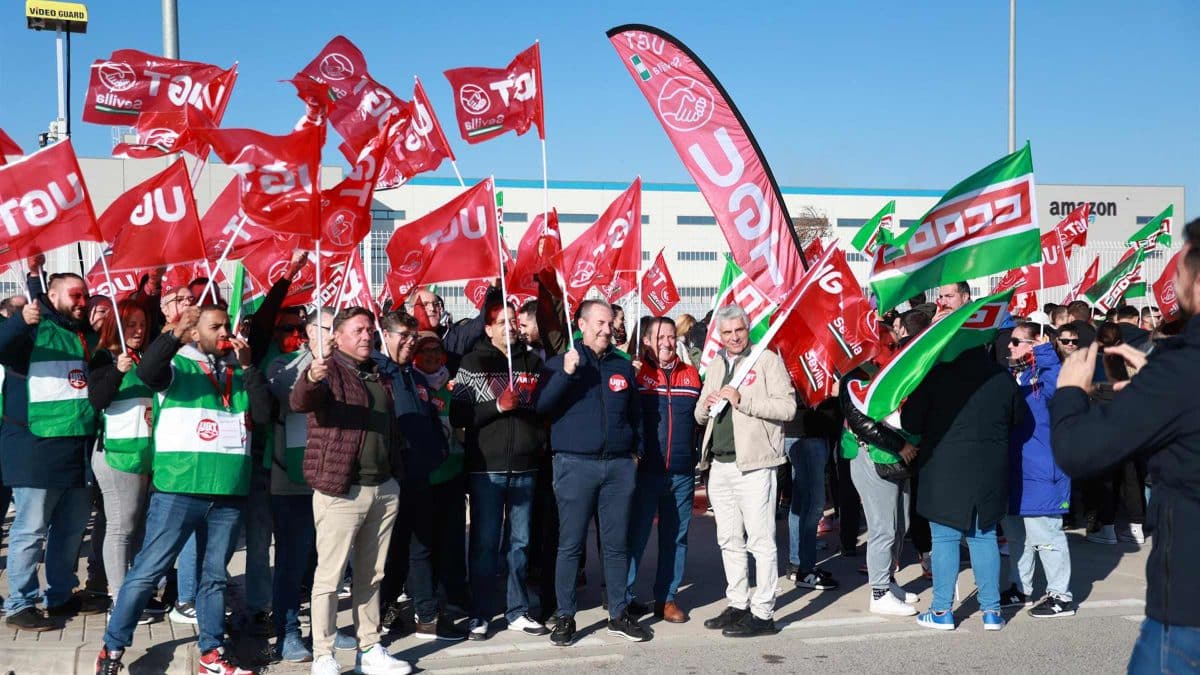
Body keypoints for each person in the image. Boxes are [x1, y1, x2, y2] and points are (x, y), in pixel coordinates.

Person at [1051, 218, 1200, 673]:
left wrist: (1070, 391)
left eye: (1181, 267)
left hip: (1189, 610)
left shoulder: (1184, 370)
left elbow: (1078, 451)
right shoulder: (1177, 372)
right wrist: (1153, 385)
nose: (1174, 279)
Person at [96, 305, 270, 675]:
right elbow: (148, 371)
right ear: (194, 332)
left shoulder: (238, 369)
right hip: (180, 487)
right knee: (148, 571)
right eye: (215, 326)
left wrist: (250, 368)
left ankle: (212, 653)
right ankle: (112, 647)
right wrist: (175, 333)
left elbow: (265, 415)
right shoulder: (179, 364)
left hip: (228, 489)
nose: (224, 332)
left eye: (227, 325)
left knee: (214, 577)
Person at [291, 307, 412, 675]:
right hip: (341, 489)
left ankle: (369, 648)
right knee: (329, 578)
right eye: (358, 330)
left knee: (372, 575)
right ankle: (323, 654)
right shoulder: (328, 370)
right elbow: (302, 400)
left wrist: (395, 475)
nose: (366, 335)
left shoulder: (377, 372)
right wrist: (312, 374)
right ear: (338, 336)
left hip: (383, 487)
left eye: (369, 329)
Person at [535, 299, 645, 646]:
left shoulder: (622, 365)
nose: (607, 330)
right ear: (581, 325)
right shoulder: (560, 363)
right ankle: (565, 616)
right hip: (574, 465)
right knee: (570, 545)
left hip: (618, 467)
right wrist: (566, 374)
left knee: (615, 545)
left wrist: (635, 453)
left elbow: (636, 415)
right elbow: (541, 406)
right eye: (600, 323)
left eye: (610, 323)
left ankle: (618, 613)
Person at [1, 274, 108, 631]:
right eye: (75, 295)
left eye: (85, 295)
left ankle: (61, 594)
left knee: (70, 530)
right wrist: (20, 321)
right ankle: (20, 603)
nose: (82, 302)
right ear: (52, 294)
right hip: (36, 448)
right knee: (30, 530)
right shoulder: (31, 329)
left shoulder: (83, 333)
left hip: (77, 449)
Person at [902, 342, 1022, 632]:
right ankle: (991, 611)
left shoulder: (936, 375)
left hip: (945, 469)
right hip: (989, 468)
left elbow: (911, 422)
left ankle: (941, 610)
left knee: (945, 538)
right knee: (984, 536)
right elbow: (1019, 419)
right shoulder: (1001, 376)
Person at [694, 305, 797, 638]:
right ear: (719, 335)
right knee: (728, 539)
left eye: (739, 330)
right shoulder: (716, 364)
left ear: (748, 328)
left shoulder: (766, 360)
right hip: (719, 465)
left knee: (761, 540)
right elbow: (699, 414)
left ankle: (763, 611)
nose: (734, 337)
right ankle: (738, 603)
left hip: (755, 464)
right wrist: (705, 406)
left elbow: (787, 407)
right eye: (727, 332)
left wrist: (742, 401)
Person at [451, 300, 549, 640]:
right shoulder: (472, 362)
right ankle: (480, 613)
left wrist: (536, 439)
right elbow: (458, 414)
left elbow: (544, 408)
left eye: (513, 320)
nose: (510, 326)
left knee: (520, 544)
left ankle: (517, 610)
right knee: (484, 544)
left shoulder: (533, 363)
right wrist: (496, 405)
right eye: (501, 321)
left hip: (525, 466)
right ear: (489, 328)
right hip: (487, 469)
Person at [375, 311, 467, 643]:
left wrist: (436, 453)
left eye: (413, 337)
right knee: (390, 553)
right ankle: (381, 612)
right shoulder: (376, 373)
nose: (410, 343)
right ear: (385, 335)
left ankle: (426, 616)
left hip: (419, 477)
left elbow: (430, 423)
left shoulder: (414, 378)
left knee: (420, 548)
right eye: (404, 336)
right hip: (388, 478)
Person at [87, 300, 167, 625]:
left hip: (144, 454)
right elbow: (97, 399)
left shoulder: (146, 359)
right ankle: (119, 601)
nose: (138, 330)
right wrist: (117, 372)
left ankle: (135, 594)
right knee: (121, 528)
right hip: (116, 455)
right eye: (131, 324)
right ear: (116, 325)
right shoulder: (104, 357)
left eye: (142, 325)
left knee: (137, 529)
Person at [626, 317, 701, 624]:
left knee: (675, 538)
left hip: (682, 472)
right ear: (646, 341)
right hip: (646, 471)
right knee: (636, 537)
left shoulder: (691, 374)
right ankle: (623, 598)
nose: (667, 343)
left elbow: (701, 418)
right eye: (660, 338)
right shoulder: (636, 373)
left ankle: (666, 599)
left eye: (671, 336)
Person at [264, 307, 329, 662]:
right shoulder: (282, 365)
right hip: (294, 479)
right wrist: (314, 369)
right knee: (291, 561)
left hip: (332, 478)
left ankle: (325, 630)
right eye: (326, 329)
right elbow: (288, 399)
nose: (333, 336)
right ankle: (287, 631)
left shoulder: (349, 366)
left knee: (327, 563)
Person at [1000, 322, 1075, 618]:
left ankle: (1060, 596)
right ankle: (1020, 587)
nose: (1009, 345)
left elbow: (1058, 388)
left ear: (1035, 344)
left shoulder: (1048, 375)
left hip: (1042, 471)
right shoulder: (1015, 377)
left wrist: (1045, 353)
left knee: (1047, 536)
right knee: (1017, 537)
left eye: (1016, 341)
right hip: (1015, 471)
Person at [839, 372, 919, 617]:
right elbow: (859, 421)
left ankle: (888, 580)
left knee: (900, 524)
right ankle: (880, 592)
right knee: (883, 528)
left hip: (897, 457)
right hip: (873, 455)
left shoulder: (892, 365)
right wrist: (900, 445)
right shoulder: (855, 376)